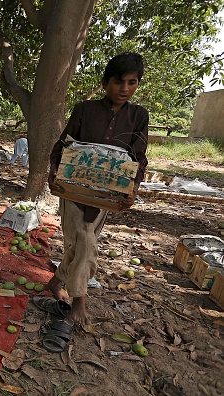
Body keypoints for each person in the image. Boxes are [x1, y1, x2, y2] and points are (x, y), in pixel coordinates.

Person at [47, 52, 149, 326]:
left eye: (132, 82)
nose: (125, 89)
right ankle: (79, 300)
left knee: (79, 243)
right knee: (86, 239)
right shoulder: (84, 110)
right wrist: (54, 171)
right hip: (73, 189)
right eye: (118, 82)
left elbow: (138, 155)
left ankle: (57, 279)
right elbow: (63, 145)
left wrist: (133, 188)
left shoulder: (139, 116)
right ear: (105, 83)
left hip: (107, 194)